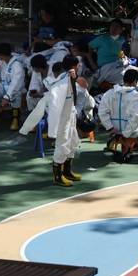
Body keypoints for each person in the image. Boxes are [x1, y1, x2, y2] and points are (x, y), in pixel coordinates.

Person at [46, 55, 83, 187]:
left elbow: (83, 85)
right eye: (77, 65)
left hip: (71, 114)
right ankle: (57, 176)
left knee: (73, 143)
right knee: (62, 145)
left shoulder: (71, 78)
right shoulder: (61, 80)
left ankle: (67, 172)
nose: (79, 67)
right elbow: (53, 100)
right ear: (73, 66)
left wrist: (75, 78)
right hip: (62, 118)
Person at [0, 42, 26, 131]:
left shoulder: (17, 65)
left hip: (15, 89)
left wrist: (7, 97)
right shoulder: (0, 61)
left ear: (2, 54)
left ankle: (15, 119)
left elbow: (16, 83)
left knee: (16, 94)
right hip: (3, 85)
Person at [89, 19, 127, 86]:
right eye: (112, 26)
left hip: (118, 64)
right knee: (124, 77)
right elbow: (89, 47)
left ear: (121, 30)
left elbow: (120, 51)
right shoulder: (102, 38)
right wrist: (92, 62)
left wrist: (123, 58)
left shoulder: (122, 40)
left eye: (117, 26)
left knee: (137, 71)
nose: (114, 28)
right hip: (106, 67)